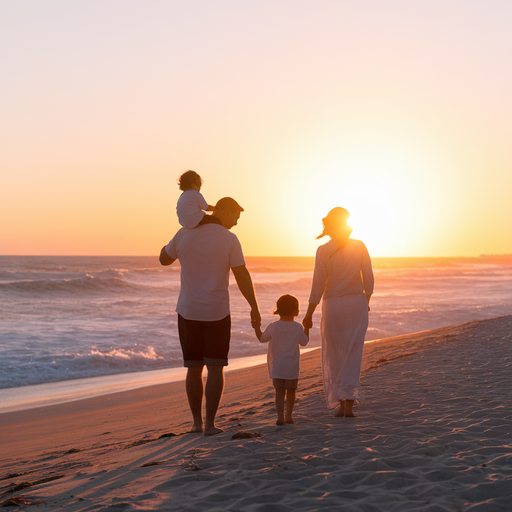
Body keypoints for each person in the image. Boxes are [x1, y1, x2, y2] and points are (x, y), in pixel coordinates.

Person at [159, 197, 261, 435]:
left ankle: (196, 423)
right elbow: (242, 276)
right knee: (215, 368)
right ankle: (210, 425)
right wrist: (254, 306)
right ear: (224, 211)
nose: (236, 221)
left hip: (188, 311)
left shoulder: (184, 234)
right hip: (217, 313)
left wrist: (171, 242)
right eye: (235, 214)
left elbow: (164, 260)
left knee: (193, 368)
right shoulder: (229, 239)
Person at [302, 207, 374, 418]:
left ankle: (341, 402)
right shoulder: (359, 246)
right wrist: (366, 301)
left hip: (333, 306)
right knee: (353, 354)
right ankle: (348, 405)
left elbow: (317, 285)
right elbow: (368, 278)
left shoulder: (323, 250)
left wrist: (309, 313)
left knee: (336, 355)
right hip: (356, 304)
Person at [253, 294, 309, 425]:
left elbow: (262, 338)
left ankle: (280, 417)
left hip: (277, 366)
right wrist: (307, 328)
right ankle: (289, 416)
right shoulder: (298, 327)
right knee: (291, 392)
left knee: (279, 392)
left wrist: (256, 327)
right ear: (296, 311)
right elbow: (304, 342)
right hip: (292, 366)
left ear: (278, 310)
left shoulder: (273, 326)